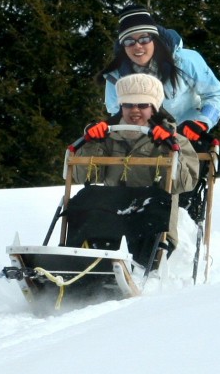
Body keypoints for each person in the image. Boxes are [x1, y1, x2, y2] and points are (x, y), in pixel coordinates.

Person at [74, 74, 200, 254]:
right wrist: (92, 144)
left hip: (154, 226)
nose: (134, 110)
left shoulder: (176, 141)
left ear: (154, 108)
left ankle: (145, 269)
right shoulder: (107, 138)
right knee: (85, 202)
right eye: (128, 105)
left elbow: (184, 184)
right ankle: (73, 264)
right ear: (120, 107)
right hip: (109, 222)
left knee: (152, 213)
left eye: (142, 105)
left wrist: (169, 149)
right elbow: (83, 177)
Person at [98, 5, 220, 143]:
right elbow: (118, 113)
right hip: (147, 144)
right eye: (129, 41)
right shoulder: (116, 76)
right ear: (123, 46)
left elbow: (214, 94)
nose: (137, 46)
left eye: (144, 39)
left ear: (154, 39)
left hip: (187, 136)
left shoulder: (185, 61)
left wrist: (202, 122)